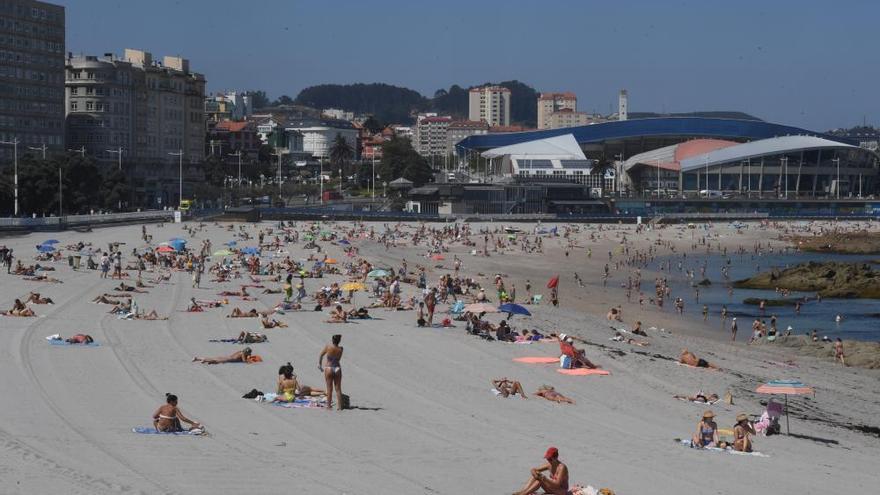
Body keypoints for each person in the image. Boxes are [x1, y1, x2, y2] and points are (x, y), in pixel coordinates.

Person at [318, 334, 344, 410]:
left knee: (329, 389)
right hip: (337, 367)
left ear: (332, 340)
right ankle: (340, 407)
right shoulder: (341, 349)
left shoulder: (328, 347)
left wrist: (319, 364)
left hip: (329, 367)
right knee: (338, 388)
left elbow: (321, 355)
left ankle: (329, 406)